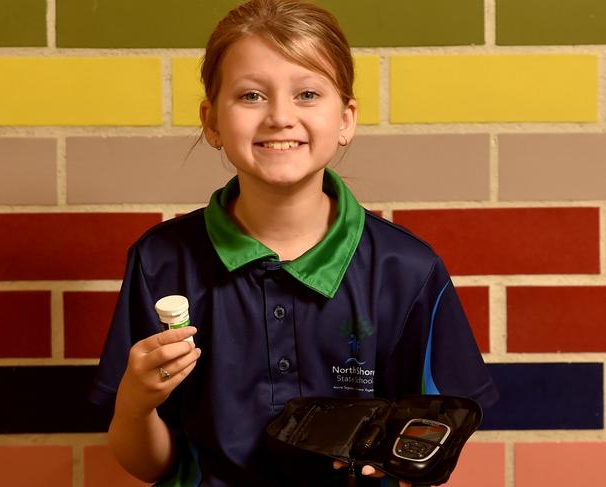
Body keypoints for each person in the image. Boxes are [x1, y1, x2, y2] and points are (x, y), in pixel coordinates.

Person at [89, 1, 498, 486]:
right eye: (250, 96)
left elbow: (436, 438)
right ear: (212, 121)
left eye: (307, 93)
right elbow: (149, 465)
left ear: (345, 119)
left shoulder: (406, 269)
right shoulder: (160, 263)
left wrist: (403, 462)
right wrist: (136, 404)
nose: (280, 117)